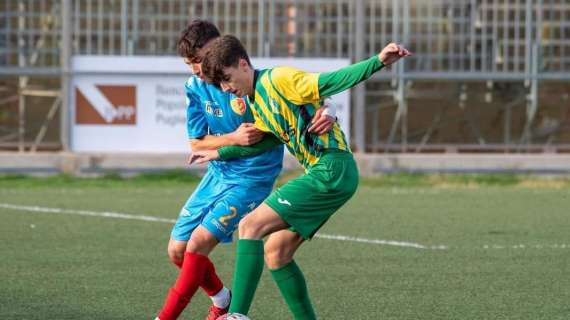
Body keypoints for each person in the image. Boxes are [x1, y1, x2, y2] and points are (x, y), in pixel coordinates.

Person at [194, 35, 411, 319]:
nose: (226, 88)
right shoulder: (257, 101)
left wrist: (378, 62)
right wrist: (221, 153)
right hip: (329, 174)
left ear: (243, 64)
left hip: (330, 169)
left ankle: (236, 315)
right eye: (220, 85)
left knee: (249, 226)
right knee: (277, 253)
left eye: (227, 78)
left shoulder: (279, 80)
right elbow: (268, 140)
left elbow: (330, 82)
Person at [155, 21, 337, 320]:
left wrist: (329, 110)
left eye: (199, 60)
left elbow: (313, 93)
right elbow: (197, 143)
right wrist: (233, 138)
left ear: (220, 47)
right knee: (177, 250)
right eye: (190, 64)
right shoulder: (195, 86)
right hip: (218, 174)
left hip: (252, 177)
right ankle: (221, 298)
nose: (197, 70)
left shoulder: (247, 78)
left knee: (199, 243)